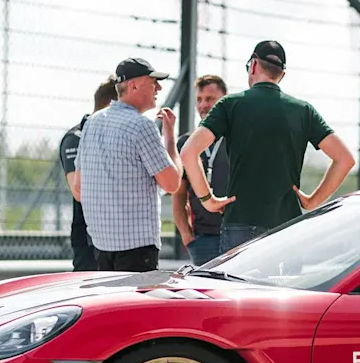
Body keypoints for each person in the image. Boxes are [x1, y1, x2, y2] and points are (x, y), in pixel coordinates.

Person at [179, 40, 354, 253]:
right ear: (281, 75)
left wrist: (208, 200)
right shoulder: (303, 111)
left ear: (253, 65)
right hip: (287, 225)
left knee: (236, 287)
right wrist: (312, 201)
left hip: (239, 223)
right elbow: (345, 159)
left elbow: (188, 152)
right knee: (279, 287)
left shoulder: (230, 105)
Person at [75, 57, 232, 272]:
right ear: (134, 85)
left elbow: (78, 187)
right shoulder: (142, 126)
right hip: (137, 248)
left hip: (101, 246)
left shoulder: (91, 123)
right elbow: (172, 184)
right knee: (134, 305)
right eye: (153, 82)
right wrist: (169, 138)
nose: (158, 87)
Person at [58, 75, 118, 270]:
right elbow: (79, 190)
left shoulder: (118, 136)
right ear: (111, 105)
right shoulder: (76, 137)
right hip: (88, 241)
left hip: (121, 239)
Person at [173, 74, 230, 265]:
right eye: (199, 99)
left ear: (224, 101)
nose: (203, 105)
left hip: (237, 236)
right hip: (202, 240)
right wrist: (186, 236)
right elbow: (178, 194)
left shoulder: (237, 140)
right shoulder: (185, 143)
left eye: (210, 99)